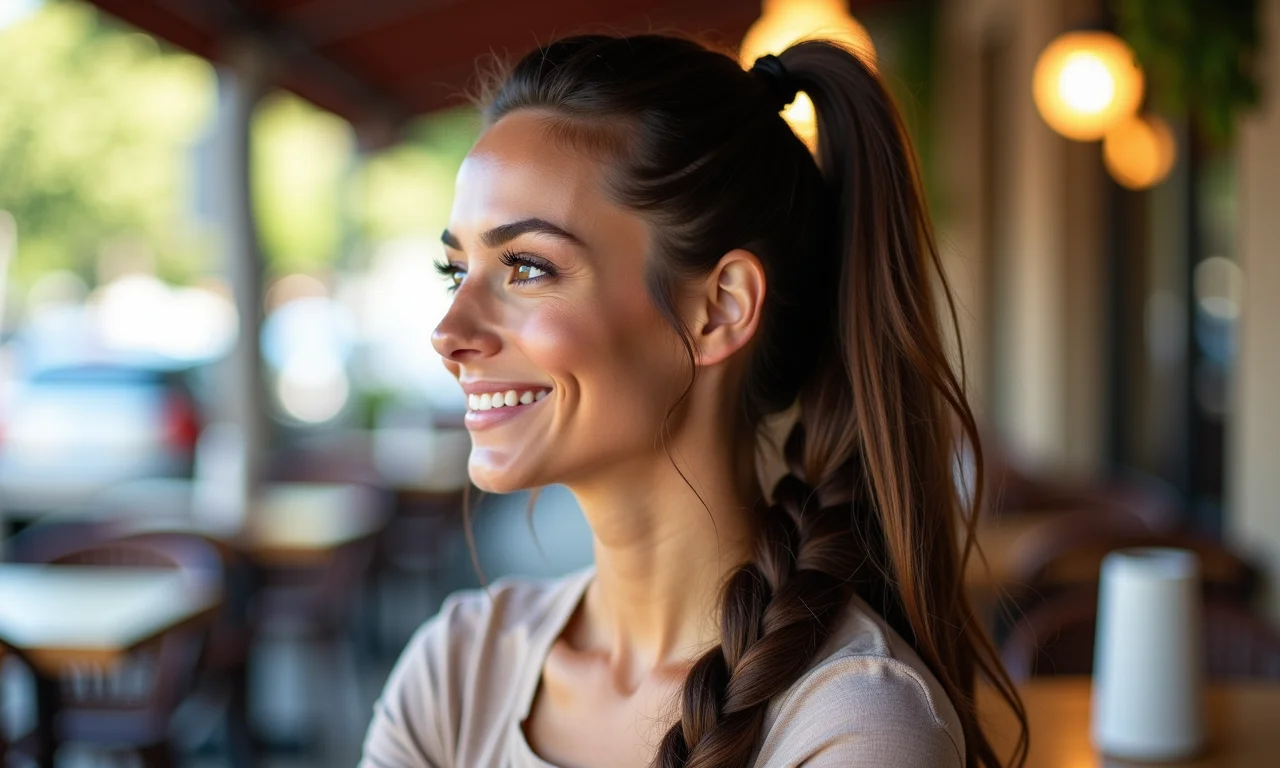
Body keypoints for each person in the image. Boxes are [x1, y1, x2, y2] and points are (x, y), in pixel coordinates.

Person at [360, 33, 1027, 768]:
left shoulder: (856, 729)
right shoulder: (455, 671)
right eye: (455, 271)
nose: (447, 332)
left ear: (720, 309)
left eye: (525, 266)